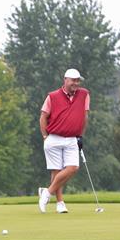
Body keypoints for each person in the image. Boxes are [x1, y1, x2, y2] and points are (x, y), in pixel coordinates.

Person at [38, 68, 90, 213]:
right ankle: (60, 203)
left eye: (78, 81)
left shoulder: (84, 94)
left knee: (73, 167)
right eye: (73, 80)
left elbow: (84, 117)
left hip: (72, 138)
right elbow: (43, 117)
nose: (76, 83)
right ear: (65, 80)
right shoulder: (53, 96)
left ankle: (47, 193)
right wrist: (45, 136)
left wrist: (80, 135)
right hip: (53, 137)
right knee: (57, 172)